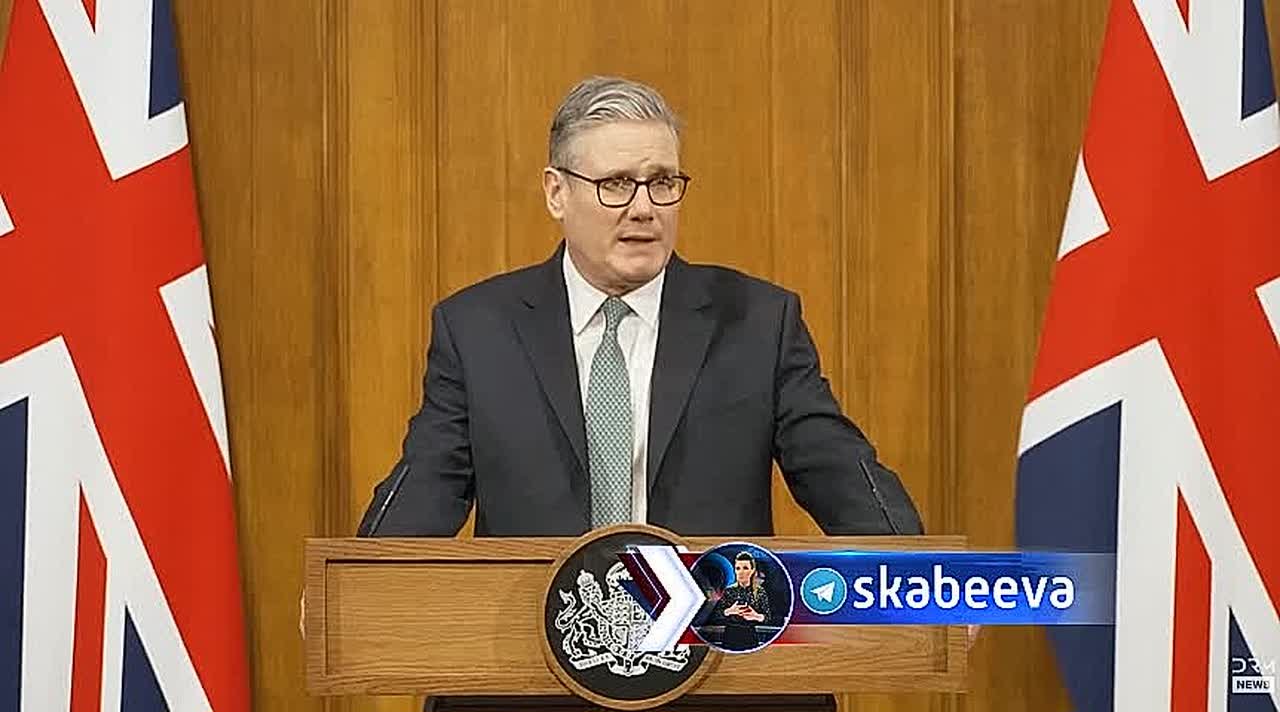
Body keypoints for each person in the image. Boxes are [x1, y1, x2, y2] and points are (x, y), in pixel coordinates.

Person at [357, 75, 923, 538]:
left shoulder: (755, 323)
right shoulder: (479, 330)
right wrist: (352, 589)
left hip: (709, 634)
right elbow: (423, 491)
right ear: (557, 193)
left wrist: (929, 581)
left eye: (662, 182)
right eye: (616, 184)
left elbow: (841, 474)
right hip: (535, 637)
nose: (644, 208)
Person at [708, 551, 773, 651]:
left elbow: (768, 617)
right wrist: (729, 611)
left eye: (745, 568)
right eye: (738, 568)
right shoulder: (729, 591)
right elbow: (715, 616)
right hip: (730, 636)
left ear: (752, 570)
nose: (741, 572)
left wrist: (756, 616)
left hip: (750, 637)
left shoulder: (760, 592)